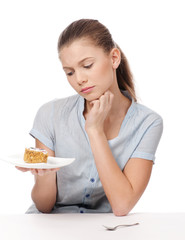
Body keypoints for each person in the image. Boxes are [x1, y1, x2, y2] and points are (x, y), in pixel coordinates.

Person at [17, 19, 163, 216]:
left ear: (114, 58)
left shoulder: (148, 123)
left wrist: (94, 130)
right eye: (69, 72)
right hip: (50, 226)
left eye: (87, 65)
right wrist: (44, 175)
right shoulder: (50, 114)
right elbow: (44, 206)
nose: (79, 79)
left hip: (103, 229)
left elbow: (122, 205)